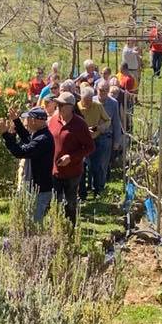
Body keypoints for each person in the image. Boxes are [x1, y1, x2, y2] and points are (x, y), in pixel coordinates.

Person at [0, 106, 54, 223]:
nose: (26, 122)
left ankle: (35, 240)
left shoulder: (43, 139)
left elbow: (20, 152)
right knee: (29, 219)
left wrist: (5, 135)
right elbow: (27, 139)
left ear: (35, 120)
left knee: (34, 222)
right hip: (37, 188)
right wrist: (16, 121)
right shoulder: (40, 134)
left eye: (27, 119)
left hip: (40, 190)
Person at [48, 91, 94, 226]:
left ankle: (70, 231)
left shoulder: (80, 124)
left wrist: (72, 157)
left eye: (61, 105)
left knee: (70, 204)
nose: (58, 107)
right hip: (54, 171)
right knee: (55, 202)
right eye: (58, 104)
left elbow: (90, 147)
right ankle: (55, 230)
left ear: (70, 107)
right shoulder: (53, 120)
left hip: (72, 172)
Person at [78, 85, 111, 199]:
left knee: (95, 167)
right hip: (80, 143)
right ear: (81, 98)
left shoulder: (97, 106)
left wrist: (102, 127)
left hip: (94, 140)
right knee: (81, 168)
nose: (88, 103)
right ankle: (82, 194)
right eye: (86, 100)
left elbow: (108, 120)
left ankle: (97, 191)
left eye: (90, 100)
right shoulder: (76, 108)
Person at [95, 80, 123, 190]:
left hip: (106, 137)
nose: (102, 93)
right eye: (101, 90)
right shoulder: (91, 101)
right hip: (92, 137)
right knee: (91, 164)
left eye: (105, 91)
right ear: (97, 89)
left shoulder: (113, 103)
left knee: (103, 164)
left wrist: (117, 141)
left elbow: (116, 122)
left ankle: (100, 187)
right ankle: (92, 186)